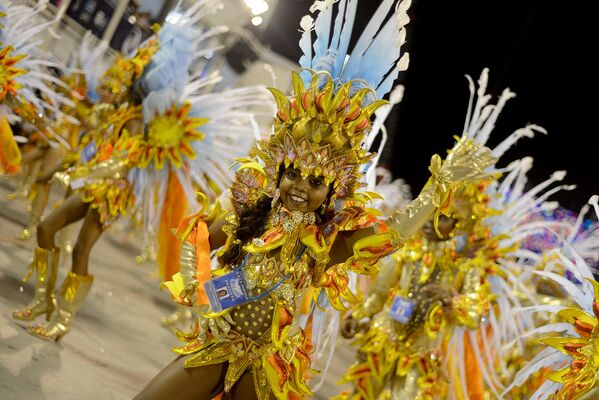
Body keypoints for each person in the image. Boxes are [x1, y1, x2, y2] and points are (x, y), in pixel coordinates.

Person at [134, 1, 495, 399]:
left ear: (335, 189)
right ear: (278, 169)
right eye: (293, 173)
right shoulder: (253, 213)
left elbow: (391, 234)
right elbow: (197, 235)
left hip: (267, 366)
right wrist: (197, 293)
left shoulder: (324, 245)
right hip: (218, 344)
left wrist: (436, 190)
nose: (301, 187)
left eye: (317, 180)